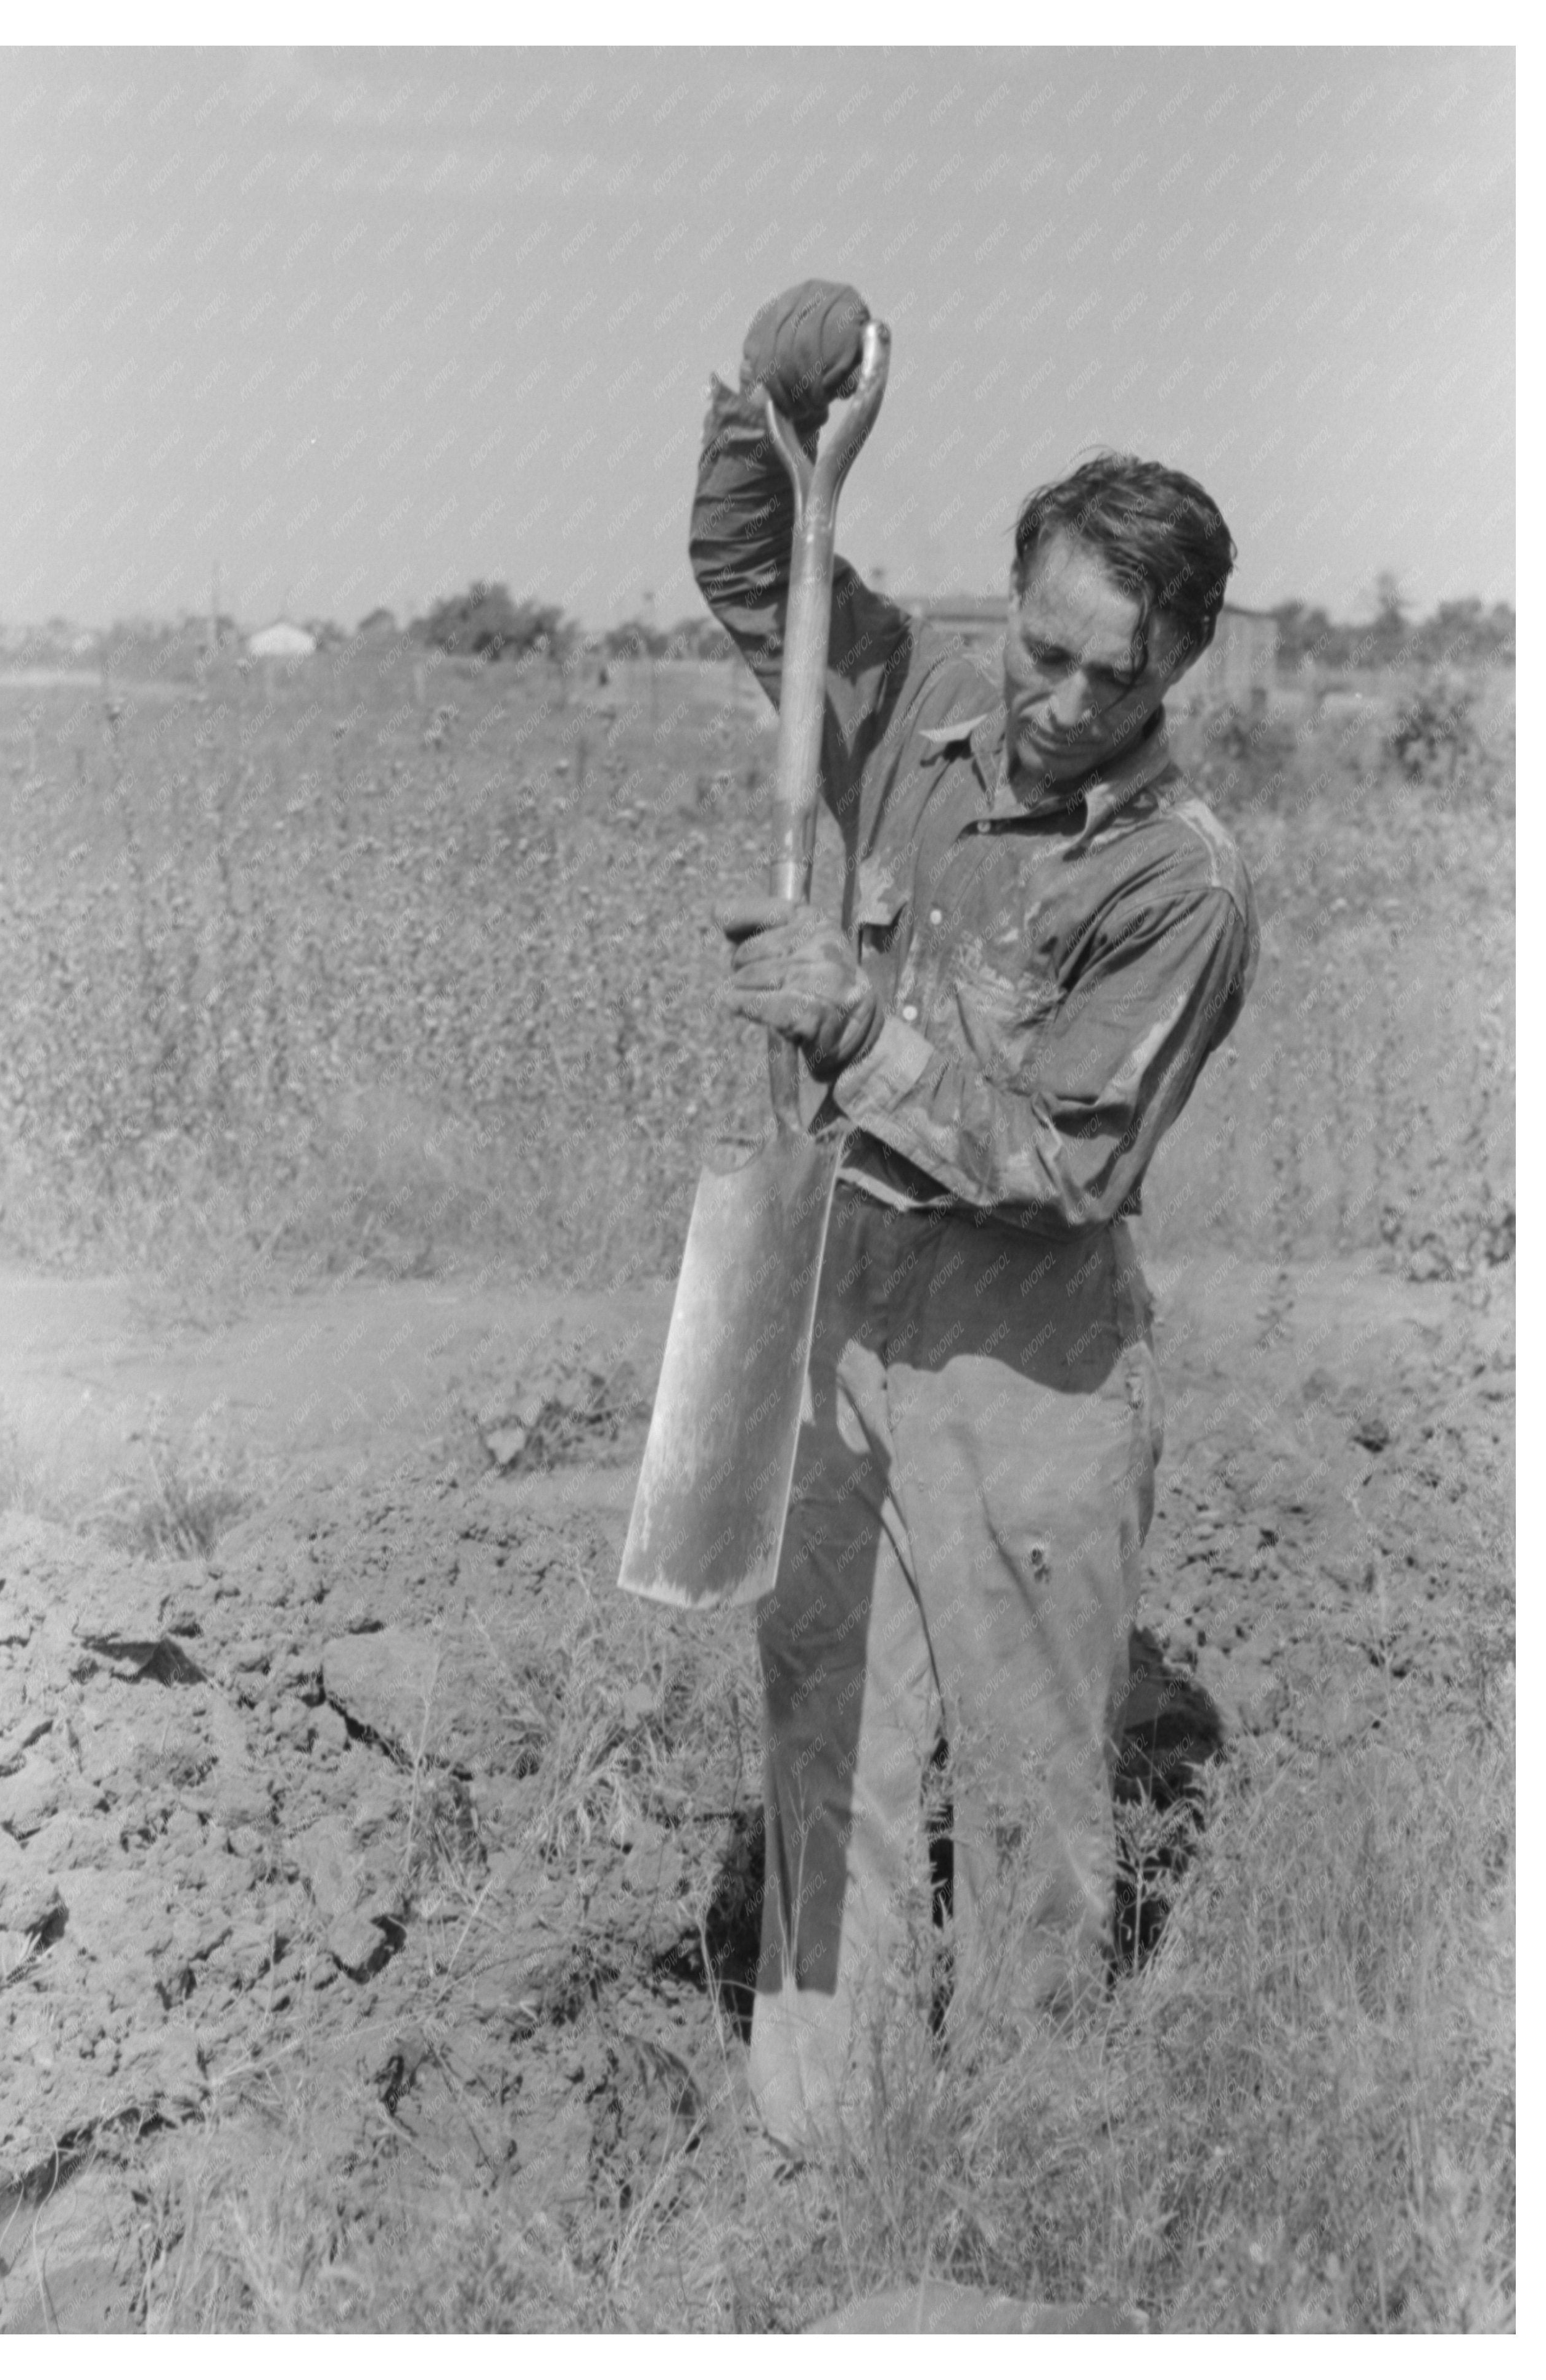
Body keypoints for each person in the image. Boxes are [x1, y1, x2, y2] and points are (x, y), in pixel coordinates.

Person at [689, 279, 1260, 2153]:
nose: (1072, 698)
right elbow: (760, 581)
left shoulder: (1181, 884)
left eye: (1124, 671)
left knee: (1026, 1793)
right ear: (1011, 609)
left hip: (1032, 1366)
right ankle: (825, 2141)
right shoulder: (924, 695)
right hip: (843, 1293)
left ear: (1179, 667)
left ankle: (1013, 2170)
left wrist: (854, 1026)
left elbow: (1067, 1158)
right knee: (831, 1725)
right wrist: (759, 403)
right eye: (1052, 647)